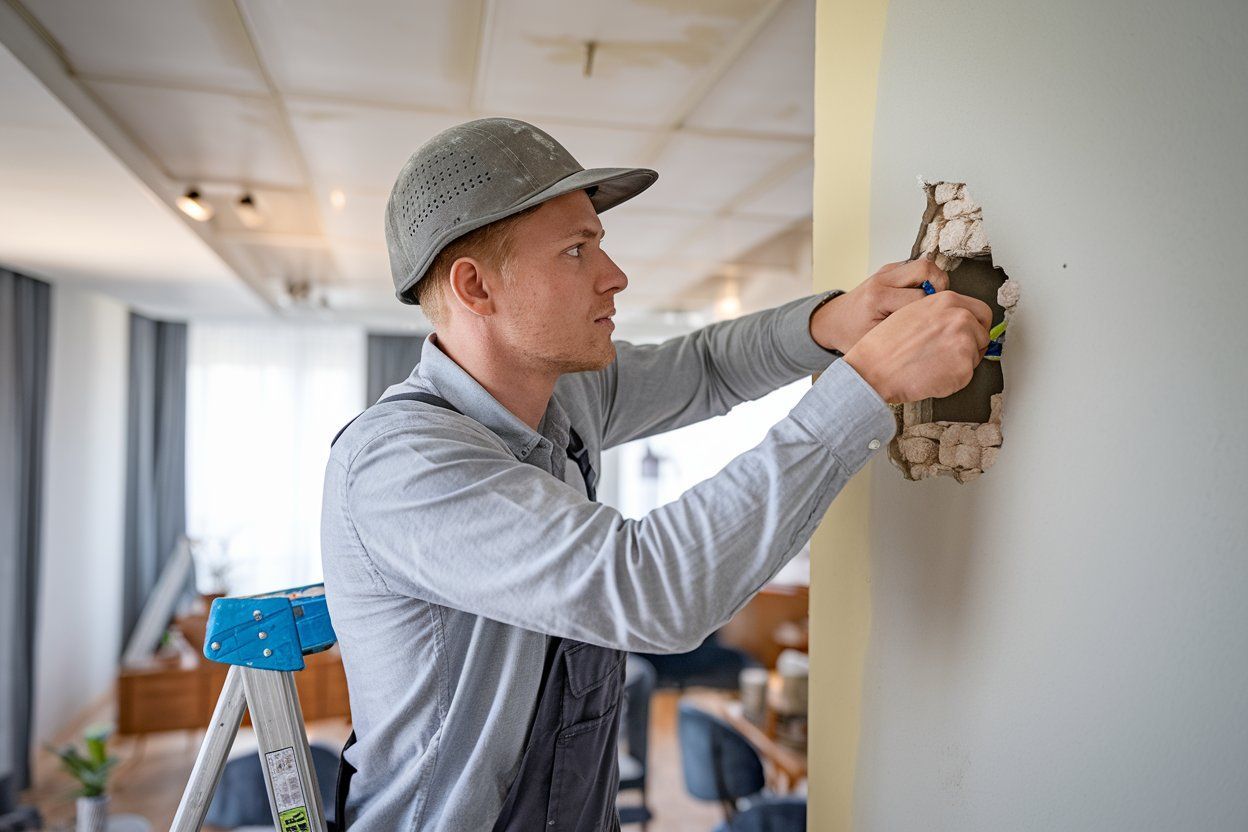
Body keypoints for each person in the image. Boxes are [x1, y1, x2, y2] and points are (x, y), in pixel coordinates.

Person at [321, 117, 991, 831]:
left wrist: (833, 322)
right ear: (476, 287)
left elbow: (705, 367)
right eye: (577, 250)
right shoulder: (403, 464)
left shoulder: (564, 399)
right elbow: (648, 589)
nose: (616, 276)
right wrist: (866, 385)